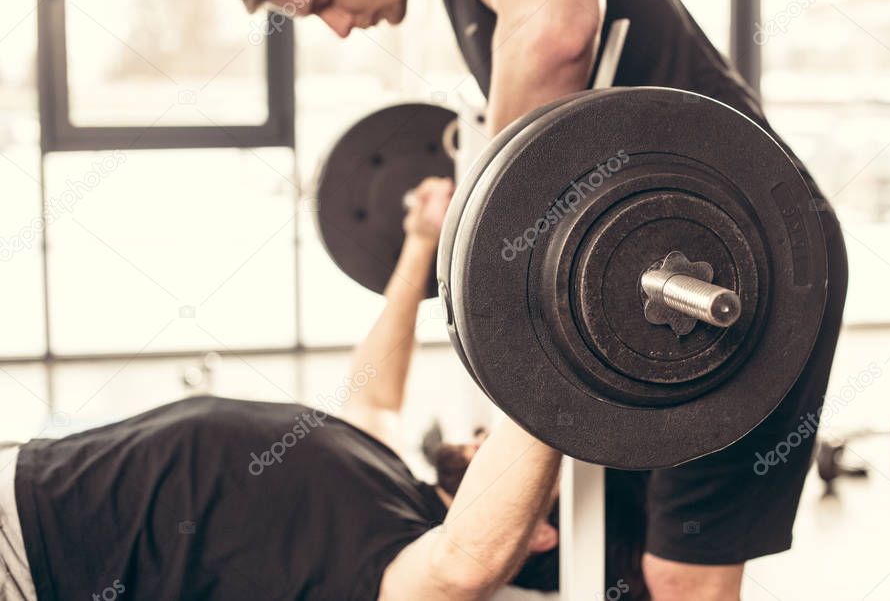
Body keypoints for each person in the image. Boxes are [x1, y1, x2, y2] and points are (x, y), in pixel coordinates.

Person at [226, 0, 849, 598]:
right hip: (633, 283)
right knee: (631, 551)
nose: (339, 27)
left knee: (682, 576)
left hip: (751, 263)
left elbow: (559, 34)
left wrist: (490, 219)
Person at [0, 178, 572, 601]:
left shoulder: (401, 562)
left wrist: (563, 376)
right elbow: (374, 394)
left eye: (491, 448)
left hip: (32, 554)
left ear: (539, 535)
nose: (480, 435)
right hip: (29, 475)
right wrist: (421, 244)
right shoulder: (393, 483)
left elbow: (461, 569)